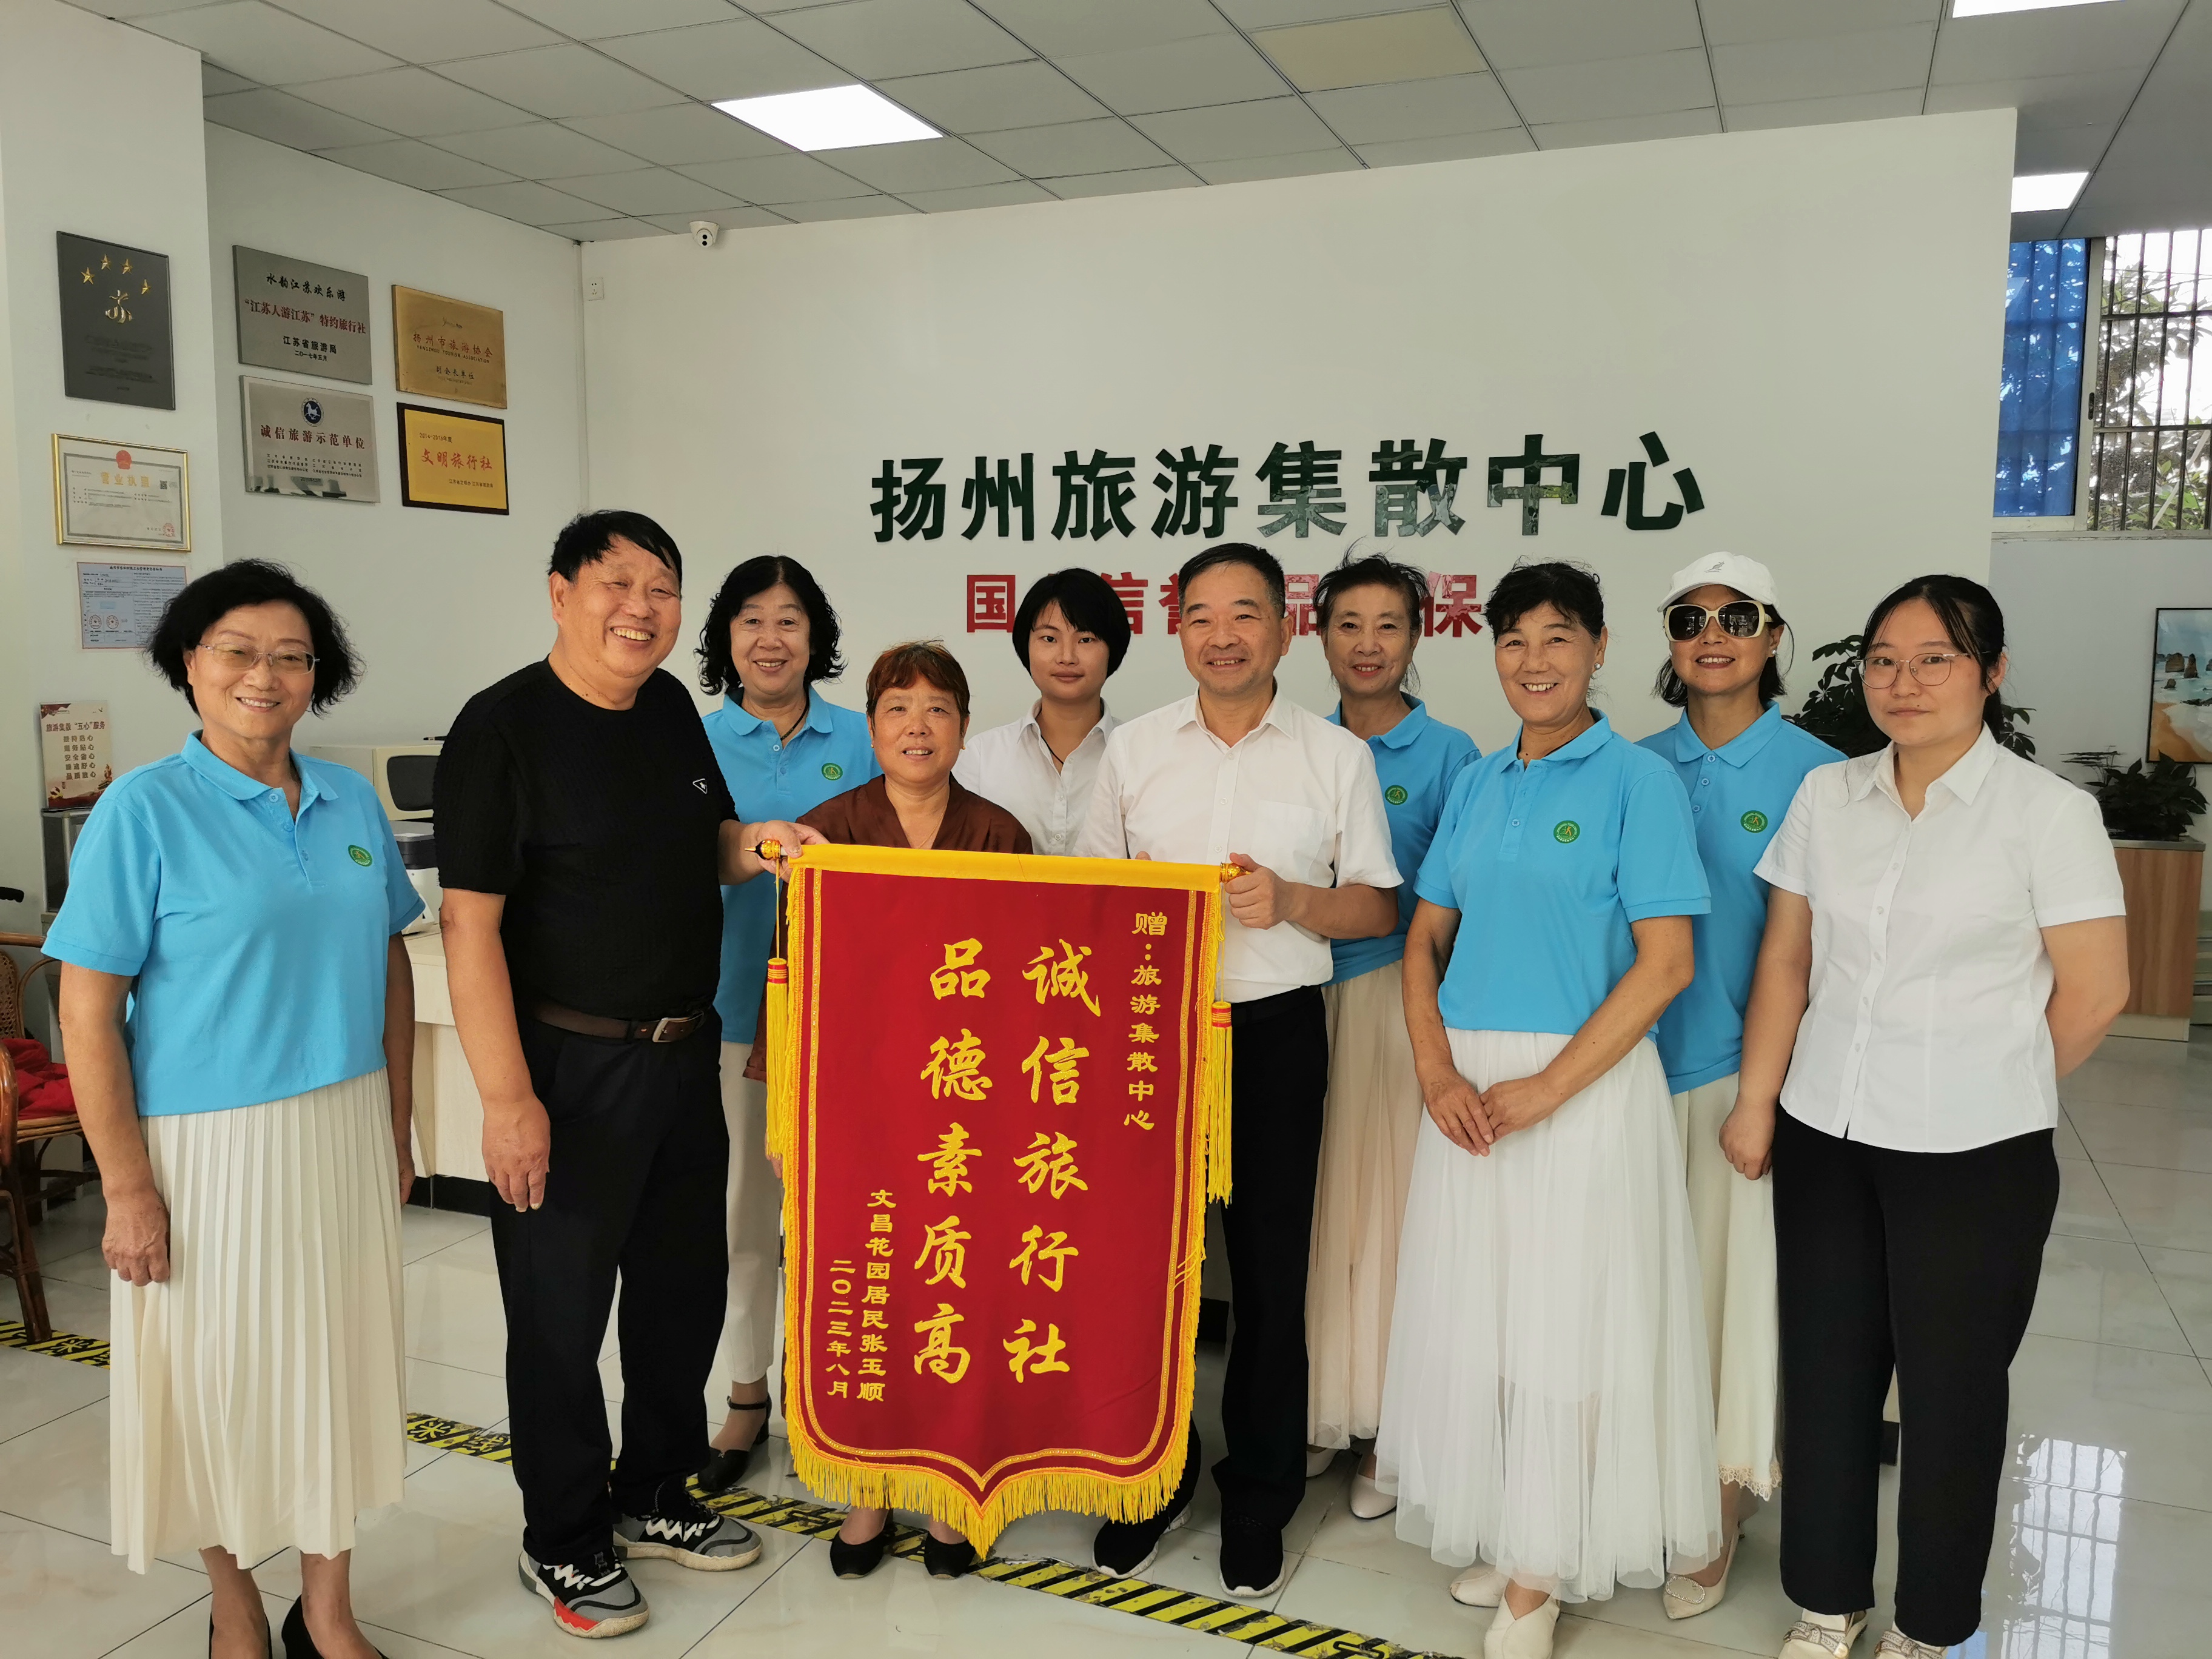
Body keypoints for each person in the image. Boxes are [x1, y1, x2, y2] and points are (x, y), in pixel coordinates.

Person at [436, 512, 814, 1640]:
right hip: (566, 1065)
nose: (640, 607)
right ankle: (560, 1534)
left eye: (661, 587)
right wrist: (507, 1100)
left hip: (682, 1052)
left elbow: (706, 846)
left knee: (676, 1295)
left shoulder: (667, 708)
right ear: (561, 593)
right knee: (558, 1318)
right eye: (616, 583)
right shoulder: (501, 728)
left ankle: (655, 1490)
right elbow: (467, 926)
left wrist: (762, 844)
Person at [1735, 576, 2128, 1659]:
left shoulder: (2047, 814)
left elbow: (2096, 991)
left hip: (1975, 1154)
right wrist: (1758, 1103)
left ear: (1989, 674)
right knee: (1826, 1379)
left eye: (1934, 659)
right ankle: (1827, 1603)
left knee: (1952, 1397)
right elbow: (1786, 960)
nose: (1902, 682)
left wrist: (1991, 1077)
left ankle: (1928, 1625)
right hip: (1825, 1132)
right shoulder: (1828, 798)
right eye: (1883, 660)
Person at [50, 561, 419, 1659]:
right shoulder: (144, 808)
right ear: (190, 664)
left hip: (343, 1124)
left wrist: (397, 1124)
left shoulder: (349, 798)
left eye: (292, 656)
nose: (266, 675)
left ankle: (330, 1609)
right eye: (238, 651)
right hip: (207, 1148)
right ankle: (233, 1600)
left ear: (318, 676)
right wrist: (126, 1187)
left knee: (336, 1369)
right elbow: (87, 1011)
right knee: (214, 1383)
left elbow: (389, 960)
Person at [1376, 560, 1721, 1659]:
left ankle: (1540, 1574)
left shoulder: (1636, 784)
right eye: (1514, 639)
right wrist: (1436, 1071)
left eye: (1558, 637)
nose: (1534, 661)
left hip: (1580, 1087)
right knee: (1486, 1320)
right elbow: (1423, 941)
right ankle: (1514, 1522)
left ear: (1600, 649)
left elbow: (1666, 965)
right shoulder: (1480, 782)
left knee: (1567, 1326)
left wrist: (1548, 1087)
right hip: (1467, 1091)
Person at [1076, 542, 1400, 1600]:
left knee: (1267, 1275)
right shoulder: (1132, 751)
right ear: (1177, 631)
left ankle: (1259, 1494)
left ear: (1283, 628)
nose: (1223, 636)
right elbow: (1086, 899)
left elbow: (1376, 907)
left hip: (1272, 1033)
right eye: (1201, 617)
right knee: (1148, 1275)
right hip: (1149, 1038)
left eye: (1245, 614)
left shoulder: (1332, 756)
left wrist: (1292, 900)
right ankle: (1149, 1479)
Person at [756, 640, 1031, 1583]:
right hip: (856, 1110)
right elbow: (791, 981)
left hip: (964, 1107)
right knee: (869, 1289)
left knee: (957, 1289)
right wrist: (790, 1115)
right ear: (870, 729)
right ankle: (866, 1487)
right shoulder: (825, 833)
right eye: (898, 709)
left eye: (939, 708)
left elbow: (1025, 991)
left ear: (964, 727)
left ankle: (951, 1490)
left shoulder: (1000, 834)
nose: (919, 727)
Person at [1633, 552, 1842, 1620]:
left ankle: (1716, 1510)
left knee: (1729, 1307)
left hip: (1740, 1082)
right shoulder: (1628, 765)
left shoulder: (1822, 777)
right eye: (1688, 618)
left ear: (1772, 637)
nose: (1710, 636)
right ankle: (1637, 1488)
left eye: (1736, 616)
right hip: (1625, 1075)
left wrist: (1763, 1097)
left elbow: (1817, 956)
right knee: (1640, 1298)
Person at [694, 555, 877, 1493]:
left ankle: (828, 1394)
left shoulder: (867, 737)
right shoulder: (690, 742)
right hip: (732, 1012)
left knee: (840, 1219)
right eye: (752, 620)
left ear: (817, 637)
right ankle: (747, 1392)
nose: (772, 639)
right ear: (726, 638)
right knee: (742, 1217)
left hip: (847, 1025)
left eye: (791, 620)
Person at [1302, 552, 1477, 1520]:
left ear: (1418, 637)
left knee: (1391, 1219)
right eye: (1349, 625)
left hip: (1394, 1007)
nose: (1368, 645)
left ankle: (1391, 1435)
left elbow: (1455, 911)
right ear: (1319, 635)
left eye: (1389, 626)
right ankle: (1326, 1411)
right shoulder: (1295, 742)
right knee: (1317, 1216)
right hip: (1293, 998)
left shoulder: (1451, 756)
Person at [954, 568, 1131, 856]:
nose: (1067, 657)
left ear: (1113, 649)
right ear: (1026, 645)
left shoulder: (1139, 753)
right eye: (1049, 639)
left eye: (1086, 639)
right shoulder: (982, 757)